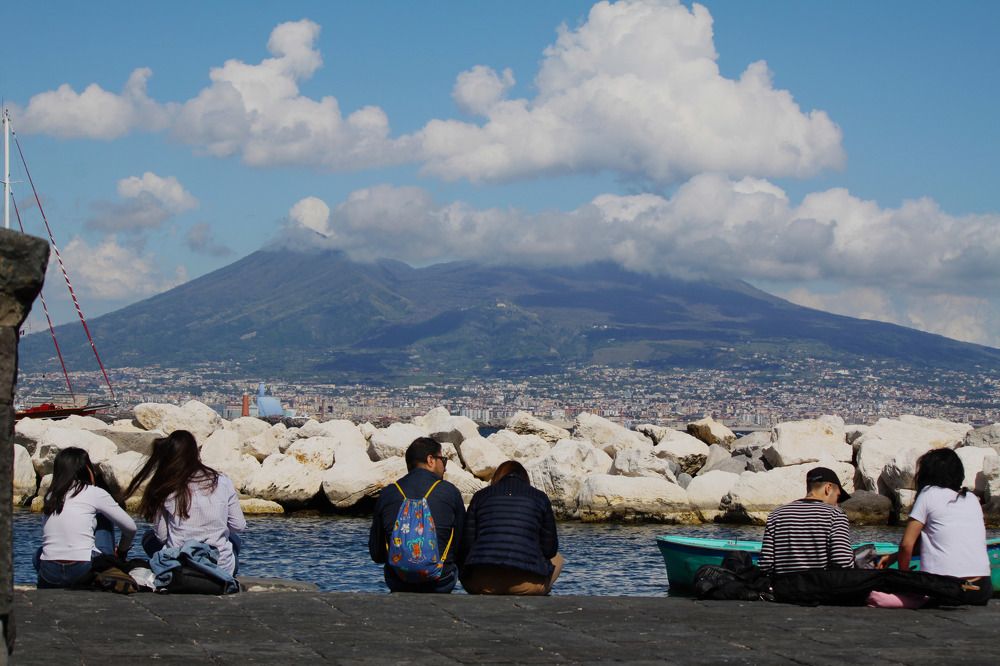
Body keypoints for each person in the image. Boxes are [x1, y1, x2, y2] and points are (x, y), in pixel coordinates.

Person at [876, 448, 992, 605]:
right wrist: (893, 557)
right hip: (981, 589)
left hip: (943, 589)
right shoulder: (972, 499)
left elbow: (906, 545)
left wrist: (903, 577)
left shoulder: (928, 494)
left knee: (883, 584)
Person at [124, 430, 246, 576]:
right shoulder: (222, 481)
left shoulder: (166, 486)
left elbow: (162, 537)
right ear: (196, 453)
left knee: (148, 538)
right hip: (221, 568)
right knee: (233, 539)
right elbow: (239, 526)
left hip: (179, 565)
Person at [369, 437, 465, 593]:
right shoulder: (450, 492)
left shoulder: (388, 493)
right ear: (431, 460)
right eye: (443, 460)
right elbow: (461, 546)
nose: (445, 467)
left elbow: (377, 554)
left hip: (398, 581)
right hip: (440, 582)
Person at [35, 447, 137, 588]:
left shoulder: (51, 496)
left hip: (49, 573)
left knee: (40, 552)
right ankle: (111, 565)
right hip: (82, 569)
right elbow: (131, 528)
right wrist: (122, 551)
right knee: (104, 517)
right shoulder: (94, 493)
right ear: (86, 469)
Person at [459, 460, 564, 595]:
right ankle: (535, 590)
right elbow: (550, 550)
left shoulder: (480, 496)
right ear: (525, 478)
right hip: (526, 584)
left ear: (497, 477)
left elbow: (467, 546)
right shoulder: (540, 498)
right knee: (558, 559)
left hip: (482, 583)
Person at [757, 466, 854, 576]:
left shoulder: (776, 515)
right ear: (828, 488)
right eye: (838, 496)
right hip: (820, 591)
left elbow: (765, 565)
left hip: (784, 591)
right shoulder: (835, 515)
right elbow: (843, 563)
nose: (837, 503)